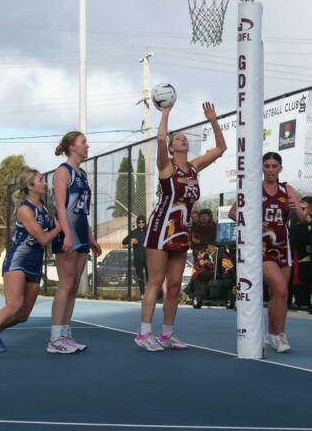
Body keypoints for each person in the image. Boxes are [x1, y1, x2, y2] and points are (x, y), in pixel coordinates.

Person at [135, 101, 227, 351]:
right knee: (156, 281)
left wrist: (213, 120)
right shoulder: (166, 166)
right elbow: (161, 139)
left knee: (175, 284)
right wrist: (164, 114)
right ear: (173, 146)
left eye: (185, 138)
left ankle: (167, 333)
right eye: (178, 138)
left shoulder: (194, 167)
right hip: (160, 229)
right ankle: (144, 333)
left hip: (181, 231)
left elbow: (220, 148)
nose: (182, 140)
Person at [0, 170, 61, 361]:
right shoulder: (25, 209)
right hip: (18, 261)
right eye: (41, 180)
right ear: (30, 186)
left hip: (34, 263)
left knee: (23, 314)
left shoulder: (43, 207)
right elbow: (42, 239)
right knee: (14, 305)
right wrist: (60, 227)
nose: (45, 183)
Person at [228, 151, 306, 353]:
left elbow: (303, 218)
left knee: (279, 294)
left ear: (280, 168)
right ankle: (278, 336)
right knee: (280, 289)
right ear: (262, 168)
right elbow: (232, 212)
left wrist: (296, 209)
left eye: (274, 166)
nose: (271, 170)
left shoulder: (287, 189)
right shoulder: (253, 188)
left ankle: (272, 334)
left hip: (283, 246)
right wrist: (249, 222)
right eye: (267, 166)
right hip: (261, 247)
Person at [48, 131, 102, 355]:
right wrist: (68, 235)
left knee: (74, 287)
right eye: (83, 142)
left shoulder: (83, 174)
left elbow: (83, 211)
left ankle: (65, 334)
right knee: (66, 284)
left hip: (80, 232)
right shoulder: (63, 171)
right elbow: (60, 206)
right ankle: (54, 338)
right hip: (67, 233)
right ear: (72, 147)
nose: (87, 146)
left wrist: (90, 237)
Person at [287, 197, 312, 311]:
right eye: (301, 206)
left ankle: (303, 302)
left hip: (305, 257)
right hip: (293, 255)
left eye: (305, 207)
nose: (302, 209)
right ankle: (293, 302)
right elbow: (294, 236)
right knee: (291, 280)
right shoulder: (292, 216)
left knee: (304, 280)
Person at [122, 215, 148, 296]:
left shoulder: (148, 231)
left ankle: (151, 294)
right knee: (140, 277)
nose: (141, 224)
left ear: (145, 222)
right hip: (138, 258)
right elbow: (123, 242)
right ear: (137, 223)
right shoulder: (134, 232)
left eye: (142, 222)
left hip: (148, 258)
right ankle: (142, 294)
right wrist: (131, 240)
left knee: (149, 277)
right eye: (139, 222)